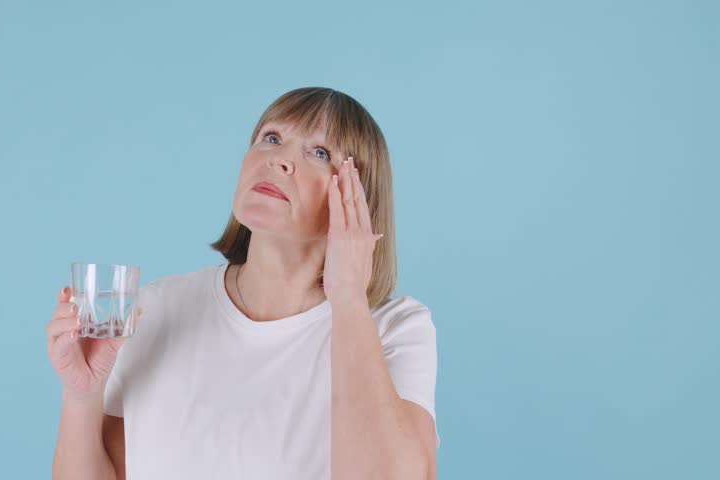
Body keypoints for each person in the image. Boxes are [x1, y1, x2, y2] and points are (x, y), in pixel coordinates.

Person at [48, 87, 439, 479]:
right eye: (272, 137)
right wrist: (82, 396)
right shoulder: (156, 308)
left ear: (359, 200)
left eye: (320, 153)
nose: (279, 159)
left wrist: (350, 299)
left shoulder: (394, 330)